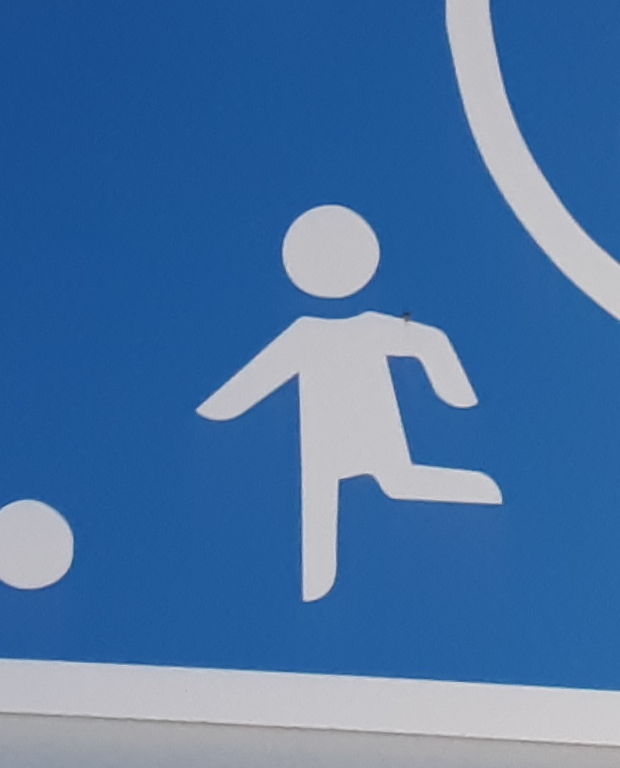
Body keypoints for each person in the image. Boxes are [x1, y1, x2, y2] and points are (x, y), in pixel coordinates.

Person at [198, 205, 500, 601]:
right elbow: (431, 343)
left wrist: (458, 394)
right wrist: (456, 396)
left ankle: (481, 491)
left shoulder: (329, 331)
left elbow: (430, 343)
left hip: (362, 429)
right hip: (328, 437)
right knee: (340, 497)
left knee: (378, 485)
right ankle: (316, 586)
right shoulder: (315, 333)